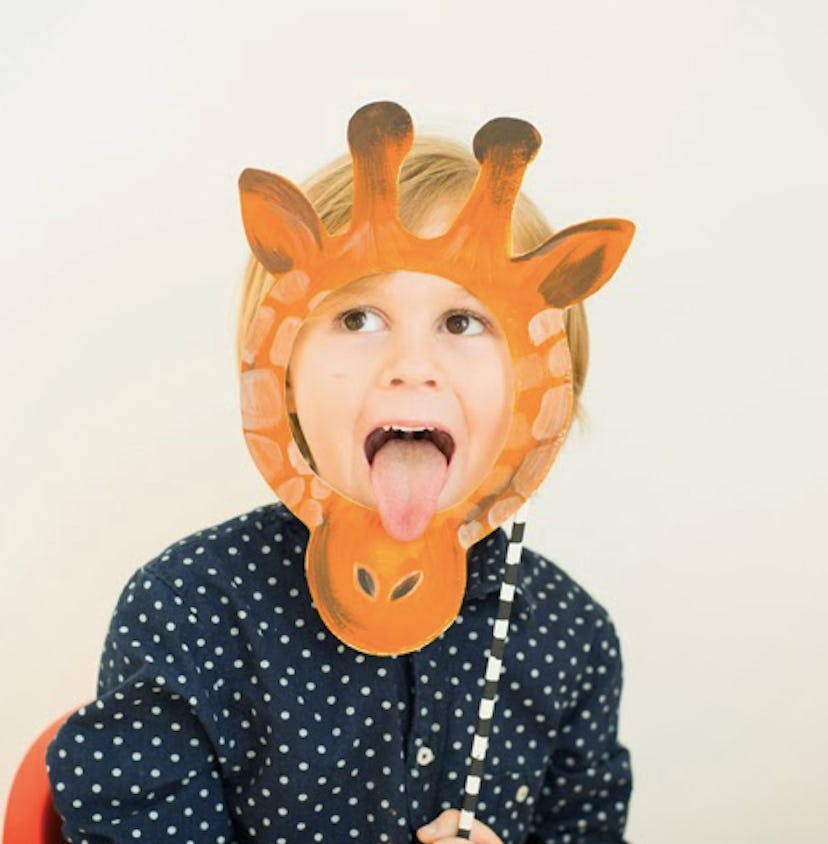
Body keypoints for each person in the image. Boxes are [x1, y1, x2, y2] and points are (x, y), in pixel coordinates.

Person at [47, 129, 632, 843]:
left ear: (546, 387)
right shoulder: (188, 611)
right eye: (358, 317)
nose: (411, 365)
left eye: (463, 320)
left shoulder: (573, 639)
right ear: (282, 370)